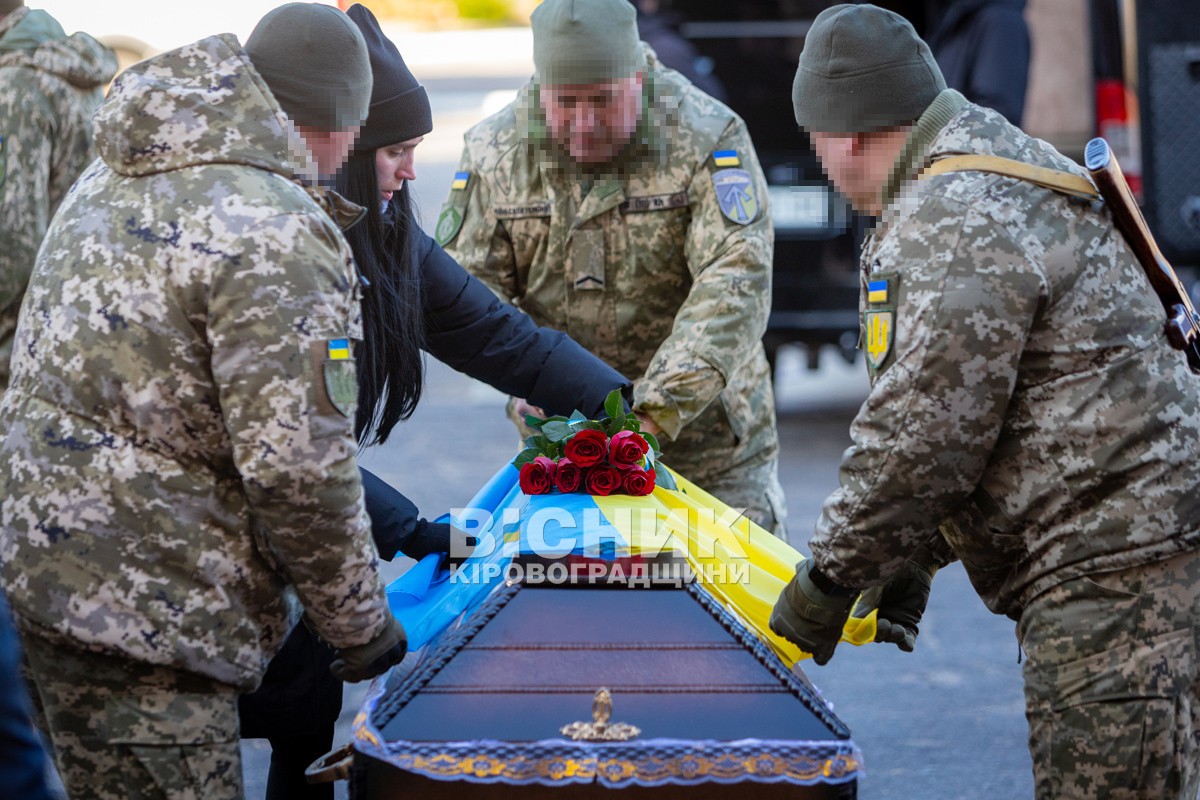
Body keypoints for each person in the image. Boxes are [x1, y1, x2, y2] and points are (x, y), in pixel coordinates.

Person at [769, 5, 1200, 799]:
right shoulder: (988, 157)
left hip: (1111, 570)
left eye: (815, 140)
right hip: (1141, 545)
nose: (820, 162)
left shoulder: (950, 215)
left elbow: (917, 437)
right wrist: (911, 558)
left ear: (852, 132)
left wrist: (825, 588)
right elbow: (988, 410)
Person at [0, 5, 408, 798]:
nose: (351, 153)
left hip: (47, 578)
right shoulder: (274, 227)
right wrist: (363, 629)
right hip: (146, 612)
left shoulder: (127, 164)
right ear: (320, 119)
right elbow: (298, 471)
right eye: (351, 129)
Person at [236, 7, 632, 797]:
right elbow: (278, 453)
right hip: (196, 539)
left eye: (416, 150)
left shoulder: (382, 231)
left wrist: (624, 409)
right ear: (342, 152)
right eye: (396, 153)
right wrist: (410, 531)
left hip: (296, 520)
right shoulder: (267, 243)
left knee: (304, 702)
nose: (410, 171)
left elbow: (504, 340)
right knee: (234, 713)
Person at [439, 0, 786, 534]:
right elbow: (466, 291)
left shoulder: (705, 136)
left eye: (603, 101)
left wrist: (648, 414)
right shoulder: (495, 151)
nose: (584, 123)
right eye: (565, 103)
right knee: (581, 611)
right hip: (564, 449)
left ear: (640, 77)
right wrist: (526, 382)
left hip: (708, 452)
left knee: (737, 607)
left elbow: (734, 280)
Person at [0, 0, 116, 392]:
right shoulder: (63, 70)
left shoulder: (14, 87)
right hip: (68, 318)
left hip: (16, 338)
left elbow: (11, 241)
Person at [923, 0, 1030, 125]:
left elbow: (994, 121)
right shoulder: (946, 18)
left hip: (961, 142)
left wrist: (913, 140)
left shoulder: (1001, 22)